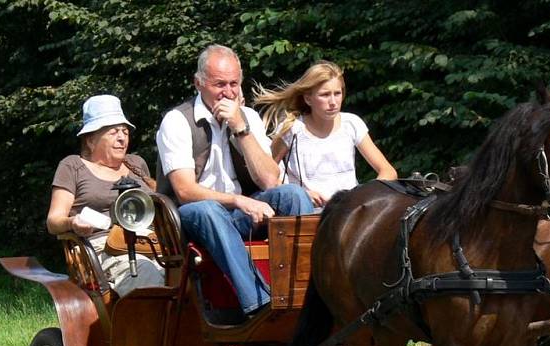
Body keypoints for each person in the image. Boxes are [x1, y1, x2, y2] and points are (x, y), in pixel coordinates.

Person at [156, 44, 314, 318]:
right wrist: (239, 201)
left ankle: (307, 295)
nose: (227, 92)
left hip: (240, 215)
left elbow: (269, 180)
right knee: (208, 210)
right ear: (198, 84)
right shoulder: (177, 121)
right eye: (219, 85)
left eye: (233, 84)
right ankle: (260, 305)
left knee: (293, 195)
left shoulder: (247, 117)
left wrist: (241, 130)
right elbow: (184, 190)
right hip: (192, 219)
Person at [47, 94, 165, 297]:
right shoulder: (73, 166)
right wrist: (74, 222)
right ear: (91, 140)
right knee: (146, 273)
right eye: (113, 132)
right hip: (105, 247)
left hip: (155, 244)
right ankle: (147, 327)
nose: (122, 138)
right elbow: (53, 221)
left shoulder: (136, 164)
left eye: (125, 132)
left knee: (189, 273)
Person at [255, 60, 397, 207]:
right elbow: (268, 177)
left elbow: (388, 171)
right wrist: (301, 195)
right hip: (308, 213)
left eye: (337, 93)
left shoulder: (352, 124)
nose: (333, 102)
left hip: (349, 212)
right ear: (308, 98)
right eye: (325, 95)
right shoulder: (292, 128)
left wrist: (365, 194)